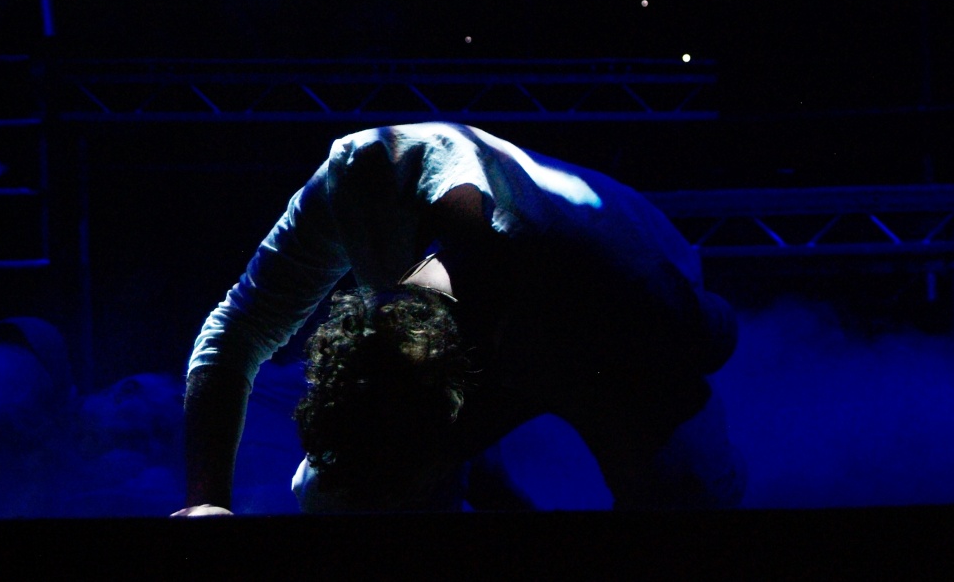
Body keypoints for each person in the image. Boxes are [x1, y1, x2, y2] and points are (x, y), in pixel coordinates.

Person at [173, 122, 743, 515]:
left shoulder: (616, 280)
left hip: (613, 339)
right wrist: (206, 503)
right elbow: (236, 332)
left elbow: (716, 337)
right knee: (337, 492)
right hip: (484, 344)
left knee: (688, 498)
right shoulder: (359, 181)